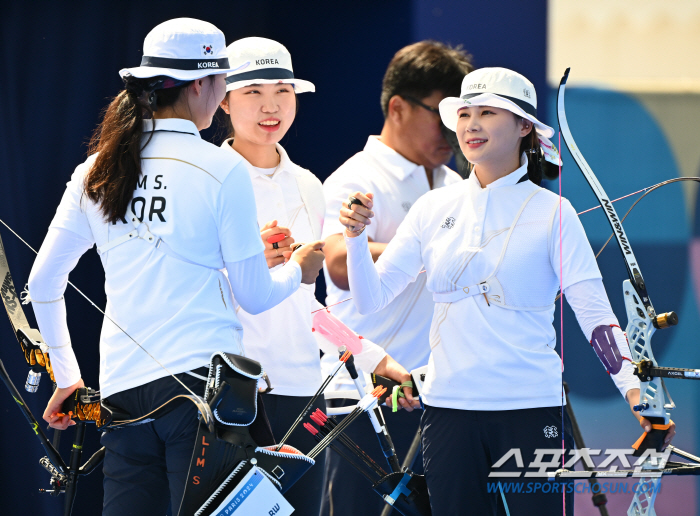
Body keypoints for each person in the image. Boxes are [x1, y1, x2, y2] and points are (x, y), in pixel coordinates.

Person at [338, 67, 677, 515]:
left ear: (524, 128)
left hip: (530, 409)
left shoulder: (555, 213)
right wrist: (356, 239)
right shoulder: (432, 208)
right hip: (448, 412)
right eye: (464, 113)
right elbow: (371, 299)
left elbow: (595, 316)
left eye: (488, 112)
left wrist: (638, 394)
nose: (471, 124)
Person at [26, 19, 325, 516]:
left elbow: (41, 284)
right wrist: (298, 268)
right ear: (203, 86)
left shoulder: (95, 168)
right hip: (207, 394)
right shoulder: (219, 167)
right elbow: (254, 294)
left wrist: (66, 375)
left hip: (123, 392)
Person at [218, 37, 416, 516]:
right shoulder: (208, 176)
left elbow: (310, 306)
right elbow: (184, 289)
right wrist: (245, 266)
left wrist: (376, 357)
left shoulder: (307, 184)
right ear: (222, 99)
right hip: (229, 387)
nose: (271, 106)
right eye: (253, 92)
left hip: (301, 390)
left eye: (283, 91)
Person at [319, 40, 472, 516]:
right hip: (368, 397)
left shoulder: (459, 187)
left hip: (439, 397)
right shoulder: (357, 177)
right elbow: (339, 264)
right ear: (398, 108)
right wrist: (428, 250)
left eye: (462, 114)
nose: (454, 128)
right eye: (440, 112)